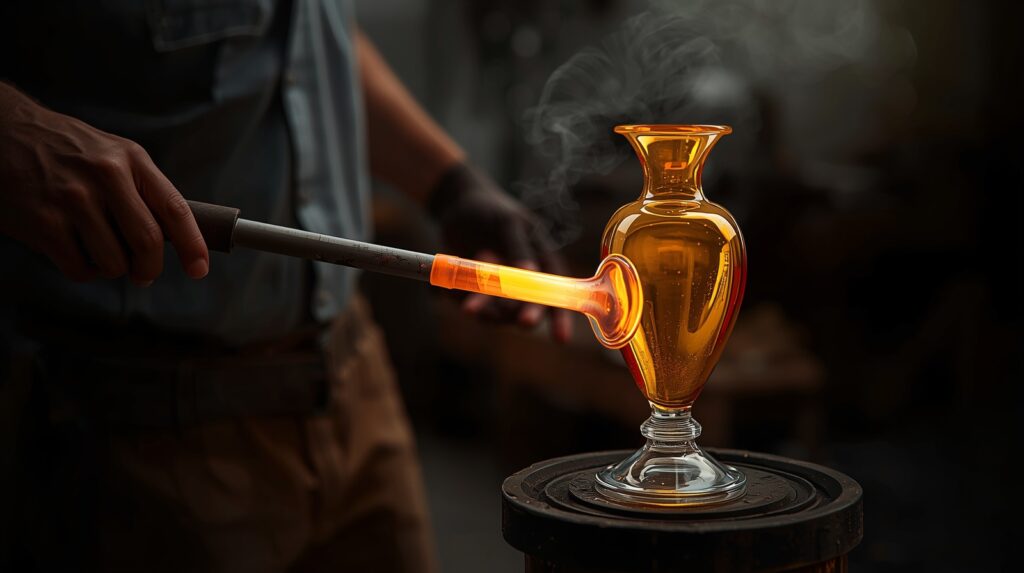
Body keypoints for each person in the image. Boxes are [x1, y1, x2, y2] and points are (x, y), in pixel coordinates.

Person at [0, 1, 570, 571]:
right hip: (135, 429)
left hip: (354, 383)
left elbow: (310, 45)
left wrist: (451, 183)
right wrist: (14, 128)